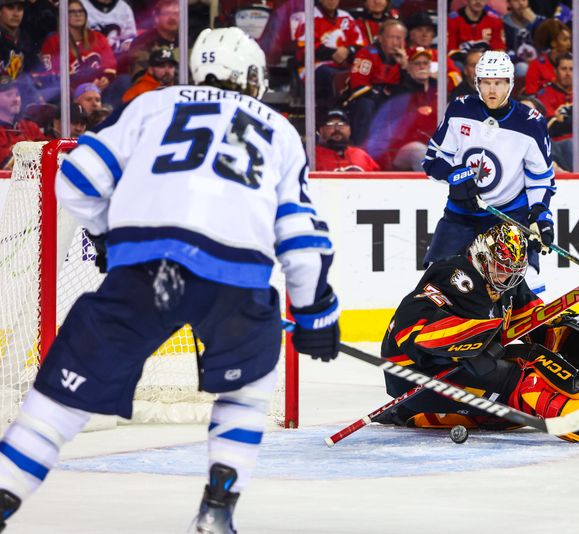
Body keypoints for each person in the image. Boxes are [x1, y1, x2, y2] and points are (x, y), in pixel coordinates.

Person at [0, 27, 340, 532]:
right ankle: (216, 511)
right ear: (251, 77)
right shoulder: (279, 128)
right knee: (247, 393)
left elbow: (74, 181)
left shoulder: (151, 104)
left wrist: (111, 237)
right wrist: (316, 315)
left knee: (56, 407)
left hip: (143, 272)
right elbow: (301, 239)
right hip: (236, 282)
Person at [377, 222, 579, 444]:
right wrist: (470, 341)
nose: (506, 278)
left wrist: (567, 332)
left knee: (514, 394)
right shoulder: (456, 276)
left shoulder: (506, 279)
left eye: (513, 272)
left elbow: (533, 323)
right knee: (516, 375)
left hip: (455, 368)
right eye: (501, 269)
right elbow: (411, 330)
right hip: (417, 375)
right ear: (482, 257)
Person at [421, 51, 555, 293]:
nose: (492, 90)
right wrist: (455, 175)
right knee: (436, 280)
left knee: (527, 281)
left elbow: (541, 179)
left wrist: (540, 213)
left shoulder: (531, 123)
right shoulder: (460, 109)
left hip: (509, 216)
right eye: (486, 82)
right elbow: (432, 160)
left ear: (510, 84)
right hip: (460, 215)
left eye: (499, 83)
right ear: (477, 82)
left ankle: (524, 325)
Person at [536, 53, 579, 170]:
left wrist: (565, 121)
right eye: (564, 69)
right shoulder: (545, 94)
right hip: (558, 146)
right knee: (571, 145)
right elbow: (552, 127)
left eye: (571, 69)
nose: (568, 73)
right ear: (555, 71)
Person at [37, 0, 116, 92]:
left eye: (80, 11)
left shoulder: (98, 37)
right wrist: (84, 85)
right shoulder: (52, 42)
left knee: (123, 81)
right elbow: (51, 74)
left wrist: (105, 78)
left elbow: (110, 63)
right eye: (72, 12)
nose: (78, 15)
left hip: (100, 88)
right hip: (69, 92)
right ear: (63, 15)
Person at [119, 0, 179, 80]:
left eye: (176, 14)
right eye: (167, 13)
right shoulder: (142, 43)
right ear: (156, 17)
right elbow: (140, 78)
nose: (172, 18)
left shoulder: (188, 42)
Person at [0, 74, 45, 168]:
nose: (16, 99)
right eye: (9, 95)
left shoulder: (30, 127)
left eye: (17, 95)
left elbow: (49, 152)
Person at [316, 108, 381, 171]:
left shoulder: (361, 155)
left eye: (341, 124)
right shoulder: (313, 157)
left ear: (349, 130)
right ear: (321, 130)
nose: (337, 129)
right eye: (330, 125)